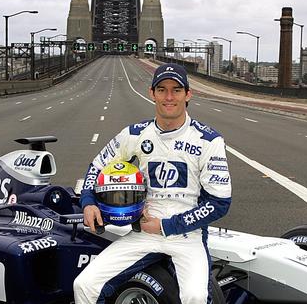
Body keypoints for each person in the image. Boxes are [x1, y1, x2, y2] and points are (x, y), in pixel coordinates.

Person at [73, 63, 232, 304]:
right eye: (162, 90)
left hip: (187, 236)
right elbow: (97, 166)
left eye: (176, 90)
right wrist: (88, 203)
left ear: (188, 94)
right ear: (152, 93)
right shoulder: (135, 134)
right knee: (84, 285)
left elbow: (219, 203)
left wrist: (167, 226)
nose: (169, 97)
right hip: (143, 231)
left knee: (195, 296)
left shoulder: (209, 140)